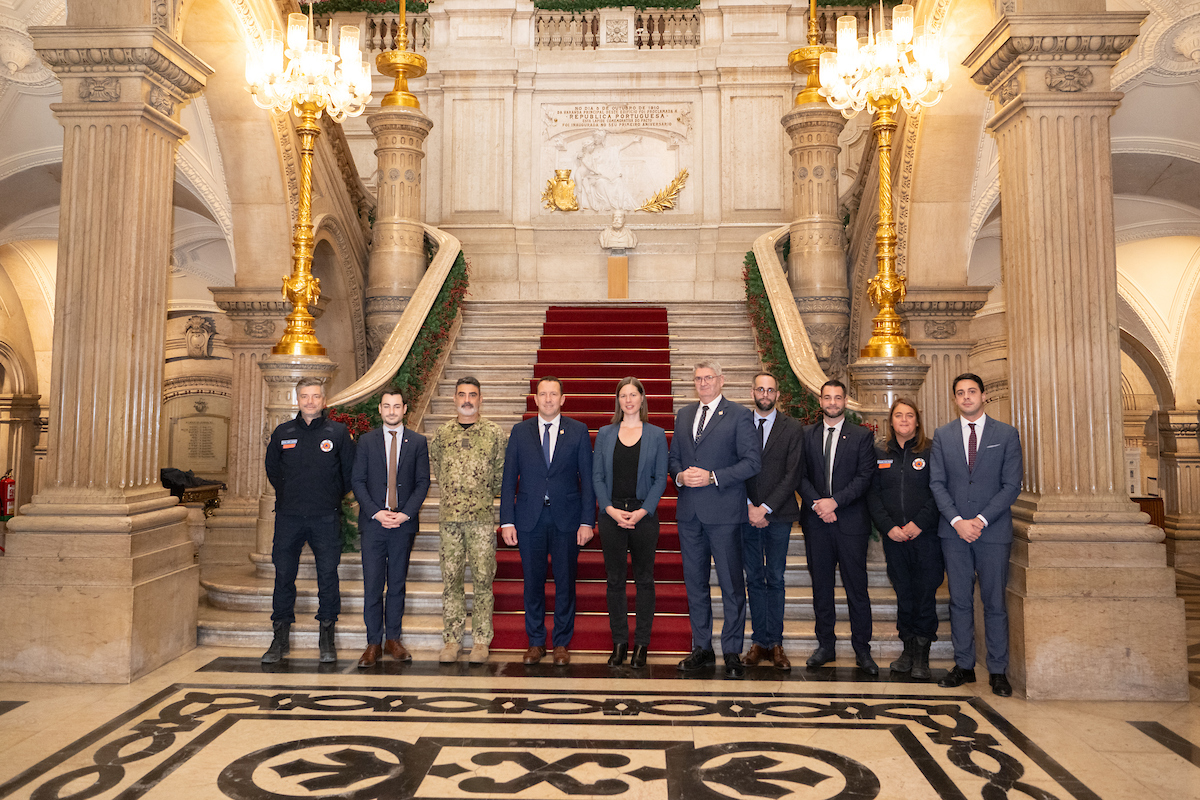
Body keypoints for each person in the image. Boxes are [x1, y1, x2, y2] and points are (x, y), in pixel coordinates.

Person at [929, 373, 1022, 697]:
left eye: (972, 391)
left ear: (983, 396)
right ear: (954, 399)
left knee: (994, 601)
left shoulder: (1007, 434)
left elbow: (1012, 485)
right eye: (960, 393)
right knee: (960, 601)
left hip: (993, 532)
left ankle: (998, 670)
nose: (966, 397)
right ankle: (964, 665)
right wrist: (957, 521)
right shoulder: (943, 435)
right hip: (954, 534)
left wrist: (980, 519)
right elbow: (936, 483)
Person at [669, 359, 761, 677]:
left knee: (732, 585)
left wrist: (713, 476)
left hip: (724, 513)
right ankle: (702, 647)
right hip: (690, 514)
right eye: (698, 379)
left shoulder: (739, 415)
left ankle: (732, 650)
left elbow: (752, 463)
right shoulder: (683, 416)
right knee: (695, 584)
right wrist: (680, 477)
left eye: (709, 378)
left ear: (722, 380)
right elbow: (674, 460)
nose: (703, 383)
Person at [500, 376, 596, 666]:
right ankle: (536, 641)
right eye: (543, 394)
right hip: (529, 518)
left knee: (566, 581)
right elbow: (508, 481)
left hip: (566, 518)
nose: (548, 399)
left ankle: (562, 643)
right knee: (533, 582)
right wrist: (506, 521)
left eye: (554, 394)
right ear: (536, 398)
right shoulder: (520, 431)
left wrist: (587, 521)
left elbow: (587, 481)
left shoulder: (578, 431)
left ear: (562, 399)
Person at [262, 376, 356, 664]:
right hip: (289, 517)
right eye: (305, 396)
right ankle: (280, 638)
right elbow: (273, 471)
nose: (310, 401)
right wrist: (292, 494)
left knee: (328, 577)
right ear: (298, 399)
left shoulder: (338, 433)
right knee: (284, 577)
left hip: (326, 517)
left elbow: (348, 474)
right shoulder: (282, 432)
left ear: (323, 400)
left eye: (316, 396)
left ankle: (326, 637)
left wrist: (328, 496)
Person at [798, 379, 879, 674]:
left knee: (857, 588)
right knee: (822, 587)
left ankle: (863, 650)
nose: (832, 402)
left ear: (845, 401)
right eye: (827, 397)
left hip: (850, 523)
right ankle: (825, 646)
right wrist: (819, 504)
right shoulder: (805, 435)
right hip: (816, 522)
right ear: (820, 402)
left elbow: (864, 477)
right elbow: (799, 475)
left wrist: (834, 503)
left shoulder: (861, 436)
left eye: (837, 397)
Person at [350, 384, 430, 668]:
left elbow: (423, 483)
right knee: (373, 585)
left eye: (397, 406)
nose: (392, 411)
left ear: (404, 409)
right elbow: (357, 481)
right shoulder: (367, 441)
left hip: (402, 525)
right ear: (380, 409)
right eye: (387, 406)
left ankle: (393, 639)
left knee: (396, 584)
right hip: (374, 524)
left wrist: (406, 514)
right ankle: (373, 642)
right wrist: (376, 513)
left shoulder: (418, 442)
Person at [428, 377, 508, 664]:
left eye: (472, 395)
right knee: (451, 581)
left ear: (481, 399)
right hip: (450, 520)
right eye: (462, 394)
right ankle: (451, 640)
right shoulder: (441, 435)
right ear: (453, 398)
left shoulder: (495, 434)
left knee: (484, 580)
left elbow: (500, 475)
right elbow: (438, 469)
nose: (467, 399)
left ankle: (481, 640)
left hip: (482, 521)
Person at [592, 377, 669, 667]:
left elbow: (661, 479)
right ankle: (620, 642)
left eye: (633, 394)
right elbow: (597, 476)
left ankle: (642, 645)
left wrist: (642, 512)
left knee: (645, 580)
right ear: (618, 401)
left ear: (642, 398)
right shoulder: (605, 433)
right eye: (623, 395)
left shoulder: (657, 434)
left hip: (643, 515)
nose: (628, 400)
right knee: (615, 581)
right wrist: (609, 510)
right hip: (612, 515)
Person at [867, 398, 942, 680]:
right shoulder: (879, 453)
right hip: (894, 538)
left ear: (917, 421)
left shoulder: (932, 450)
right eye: (899, 415)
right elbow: (873, 495)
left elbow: (939, 492)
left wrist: (918, 524)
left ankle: (922, 654)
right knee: (904, 594)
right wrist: (888, 527)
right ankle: (907, 650)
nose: (904, 420)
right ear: (892, 420)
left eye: (909, 416)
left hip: (925, 537)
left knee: (925, 594)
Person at [741, 372, 804, 671]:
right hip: (746, 515)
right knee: (754, 578)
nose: (765, 394)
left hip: (778, 515)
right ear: (752, 392)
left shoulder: (792, 428)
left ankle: (776, 643)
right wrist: (750, 507)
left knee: (775, 579)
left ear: (777, 395)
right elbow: (733, 467)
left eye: (770, 390)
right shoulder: (739, 424)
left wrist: (765, 508)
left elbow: (793, 473)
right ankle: (758, 642)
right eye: (760, 389)